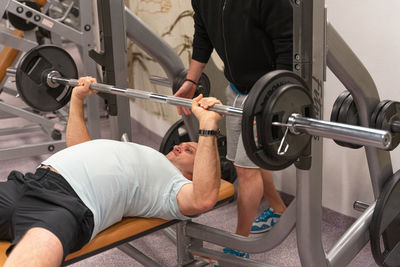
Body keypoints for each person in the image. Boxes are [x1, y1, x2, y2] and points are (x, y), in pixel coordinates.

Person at [0, 77, 223, 267]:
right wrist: (77, 100)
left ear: (196, 174)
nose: (179, 145)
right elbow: (80, 148)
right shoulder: (145, 154)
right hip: (28, 182)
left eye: (190, 150)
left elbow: (203, 198)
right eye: (182, 144)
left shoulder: (173, 188)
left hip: (68, 204)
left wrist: (208, 124)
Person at [174, 0, 293, 257]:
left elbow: (287, 47)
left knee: (245, 167)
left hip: (265, 93)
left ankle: (240, 244)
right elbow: (203, 35)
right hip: (237, 90)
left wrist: (271, 103)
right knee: (250, 157)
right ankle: (278, 207)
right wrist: (190, 80)